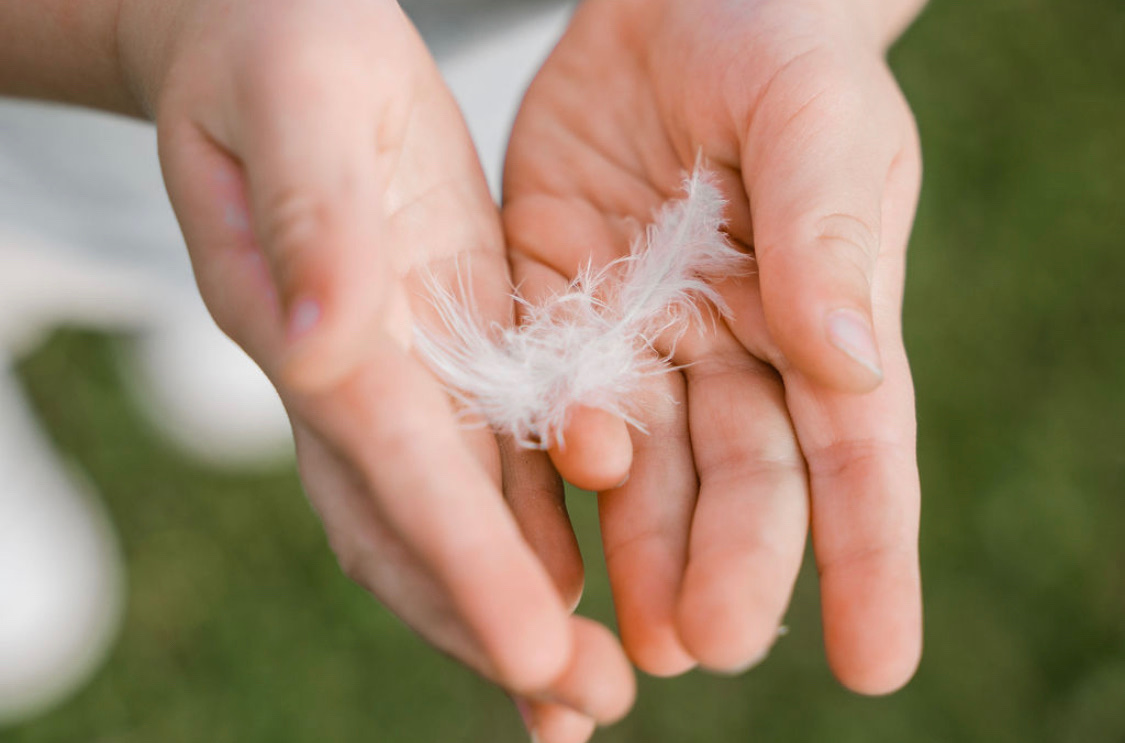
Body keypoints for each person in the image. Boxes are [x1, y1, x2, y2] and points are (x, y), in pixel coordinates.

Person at [0, 0, 927, 741]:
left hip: (454, 142)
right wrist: (152, 21)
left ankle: (254, 328)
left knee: (310, 305)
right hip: (31, 157)